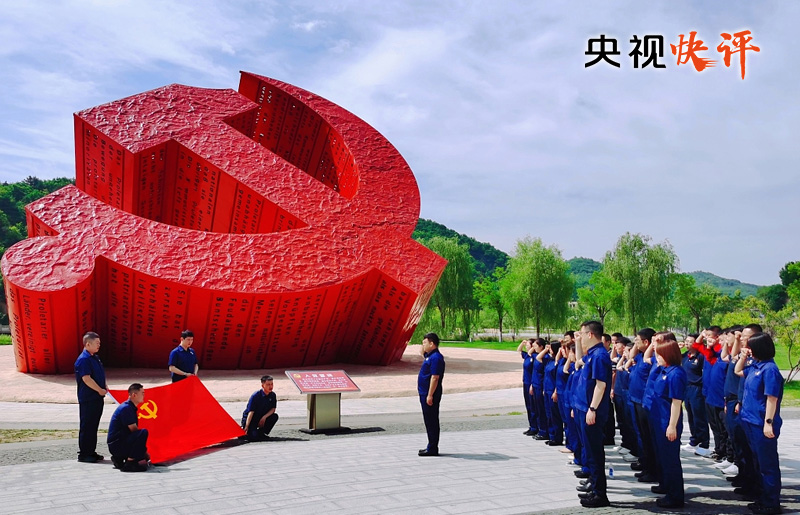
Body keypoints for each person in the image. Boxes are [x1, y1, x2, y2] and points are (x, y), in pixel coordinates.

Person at [736, 332, 784, 515]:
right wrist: (743, 357)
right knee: (757, 462)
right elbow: (738, 371)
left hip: (761, 422)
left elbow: (772, 398)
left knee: (767, 464)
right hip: (749, 420)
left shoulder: (769, 369)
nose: (748, 349)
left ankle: (771, 502)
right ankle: (762, 497)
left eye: (750, 347)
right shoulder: (756, 366)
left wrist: (768, 422)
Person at [573, 320, 612, 508]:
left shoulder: (600, 356)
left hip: (592, 411)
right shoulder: (592, 354)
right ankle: (594, 486)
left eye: (582, 334)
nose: (580, 337)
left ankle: (599, 494)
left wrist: (593, 408)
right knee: (589, 451)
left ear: (590, 334)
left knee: (595, 453)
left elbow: (601, 385)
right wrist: (576, 342)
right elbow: (579, 361)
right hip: (584, 407)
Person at [651, 332, 687, 508]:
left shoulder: (676, 374)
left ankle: (675, 496)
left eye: (660, 355)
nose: (657, 358)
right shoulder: (664, 370)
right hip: (659, 420)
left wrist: (672, 425)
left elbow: (676, 402)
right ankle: (668, 489)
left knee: (671, 460)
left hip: (668, 421)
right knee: (664, 458)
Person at [74, 331, 107, 463]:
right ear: (88, 344)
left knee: (93, 426)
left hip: (97, 397)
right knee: (87, 426)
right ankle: (84, 453)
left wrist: (104, 386)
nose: (99, 345)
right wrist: (99, 390)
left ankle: (91, 451)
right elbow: (86, 379)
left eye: (99, 343)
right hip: (88, 398)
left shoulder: (94, 357)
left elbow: (98, 375)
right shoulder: (84, 359)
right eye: (97, 343)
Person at [107, 383, 149, 472]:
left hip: (118, 443)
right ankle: (130, 463)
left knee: (141, 450)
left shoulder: (129, 407)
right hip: (117, 446)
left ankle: (119, 459)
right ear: (134, 395)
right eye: (142, 393)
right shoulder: (126, 408)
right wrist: (144, 452)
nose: (144, 395)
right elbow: (134, 431)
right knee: (143, 433)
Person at [418, 332, 445, 456]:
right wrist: (423, 347)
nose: (423, 345)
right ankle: (430, 445)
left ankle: (433, 448)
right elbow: (422, 352)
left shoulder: (436, 358)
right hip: (424, 392)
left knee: (431, 420)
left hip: (430, 394)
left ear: (432, 344)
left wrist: (430, 395)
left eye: (425, 343)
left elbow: (435, 377)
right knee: (428, 420)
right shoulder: (430, 356)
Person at [242, 375, 279, 441]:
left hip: (261, 417)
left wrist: (264, 417)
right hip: (251, 418)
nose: (270, 386)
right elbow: (251, 412)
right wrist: (247, 426)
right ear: (263, 385)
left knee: (274, 416)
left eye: (272, 384)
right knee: (253, 437)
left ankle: (262, 432)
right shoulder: (255, 396)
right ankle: (246, 433)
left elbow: (273, 409)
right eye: (268, 384)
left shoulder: (273, 395)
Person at [517, 339, 538, 436]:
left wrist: (532, 348)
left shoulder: (534, 356)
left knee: (533, 406)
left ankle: (535, 427)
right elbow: (519, 350)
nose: (526, 346)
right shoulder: (527, 356)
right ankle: (531, 425)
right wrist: (522, 343)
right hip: (525, 382)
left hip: (531, 383)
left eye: (528, 345)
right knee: (528, 406)